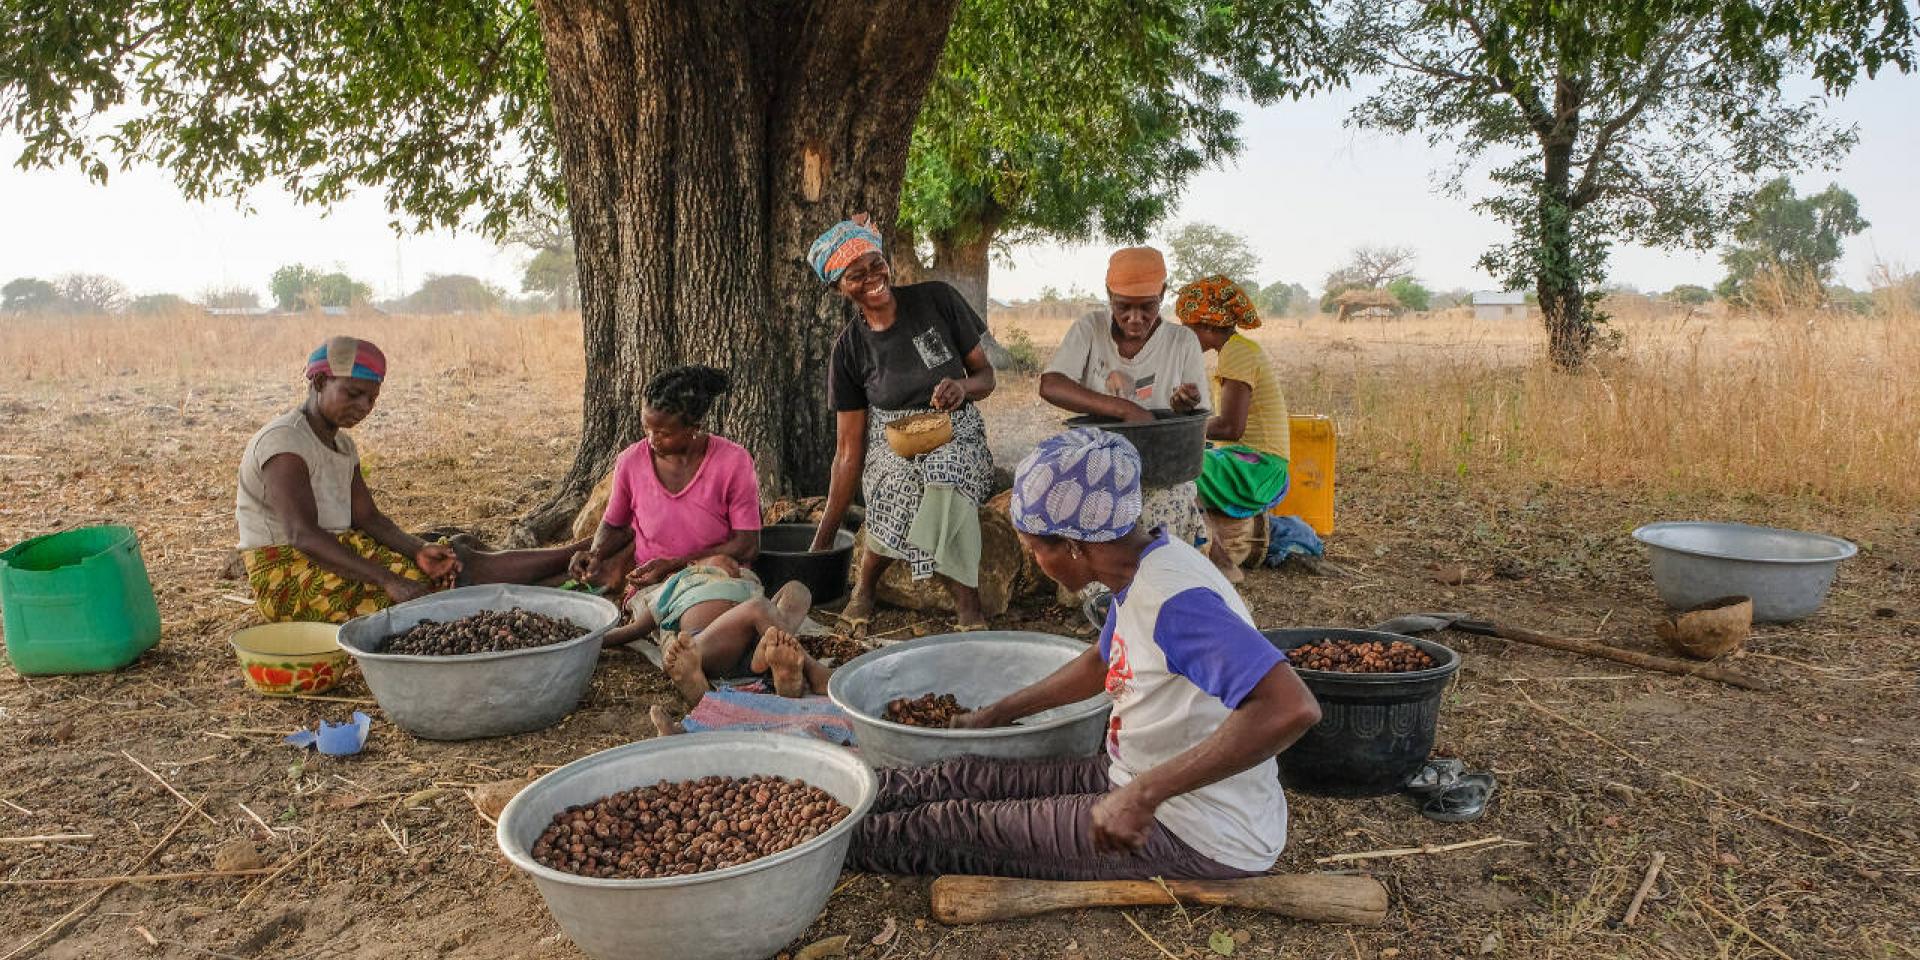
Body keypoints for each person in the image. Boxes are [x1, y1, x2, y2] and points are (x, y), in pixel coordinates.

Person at [846, 428, 1322, 880]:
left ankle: (821, 846)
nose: (1035, 561)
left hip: (1199, 828)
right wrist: (996, 713)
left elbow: (1290, 707)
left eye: (1035, 550)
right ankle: (844, 795)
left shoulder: (1176, 603)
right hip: (1134, 776)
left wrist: (1142, 795)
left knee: (951, 827)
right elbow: (1101, 662)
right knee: (958, 779)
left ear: (1074, 545)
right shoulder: (1145, 561)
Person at [236, 336, 584, 623]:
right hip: (291, 576)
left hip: (338, 553)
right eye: (353, 394)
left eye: (371, 399)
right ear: (320, 382)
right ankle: (573, 571)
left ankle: (578, 559)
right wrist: (389, 579)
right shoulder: (285, 443)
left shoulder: (341, 443)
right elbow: (302, 535)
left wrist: (418, 550)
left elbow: (368, 518)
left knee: (452, 565)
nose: (363, 406)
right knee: (434, 601)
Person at [807, 215, 997, 635]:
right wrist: (821, 544)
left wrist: (963, 389)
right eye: (856, 275)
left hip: (957, 429)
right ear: (840, 287)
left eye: (877, 265)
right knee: (898, 484)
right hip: (891, 443)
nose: (872, 278)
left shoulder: (937, 300)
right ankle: (866, 587)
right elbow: (848, 450)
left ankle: (966, 601)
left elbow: (987, 378)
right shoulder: (849, 350)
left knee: (944, 471)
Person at [572, 367, 820, 689]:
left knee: (789, 594)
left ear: (694, 428)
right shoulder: (631, 462)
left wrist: (683, 561)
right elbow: (615, 525)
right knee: (735, 616)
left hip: (726, 572)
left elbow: (747, 545)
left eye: (663, 433)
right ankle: (769, 661)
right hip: (658, 585)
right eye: (647, 428)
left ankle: (759, 657)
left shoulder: (733, 461)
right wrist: (595, 554)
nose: (651, 440)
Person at [1038, 246, 1209, 547]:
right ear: (1108, 295)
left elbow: (1196, 422)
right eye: (1123, 307)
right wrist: (1124, 409)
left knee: (1163, 516)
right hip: (1096, 461)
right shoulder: (1090, 329)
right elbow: (1051, 385)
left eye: (1147, 307)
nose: (1134, 318)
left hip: (1159, 470)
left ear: (1163, 294)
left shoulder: (1182, 341)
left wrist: (1183, 407)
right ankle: (1096, 591)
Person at [1175, 275, 1292, 581]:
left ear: (1209, 326)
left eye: (1188, 329)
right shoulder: (1236, 349)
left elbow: (1230, 427)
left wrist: (1181, 432)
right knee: (1185, 456)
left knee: (1177, 465)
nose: (1185, 338)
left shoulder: (1237, 353)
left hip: (1261, 468)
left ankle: (1220, 561)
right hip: (1250, 460)